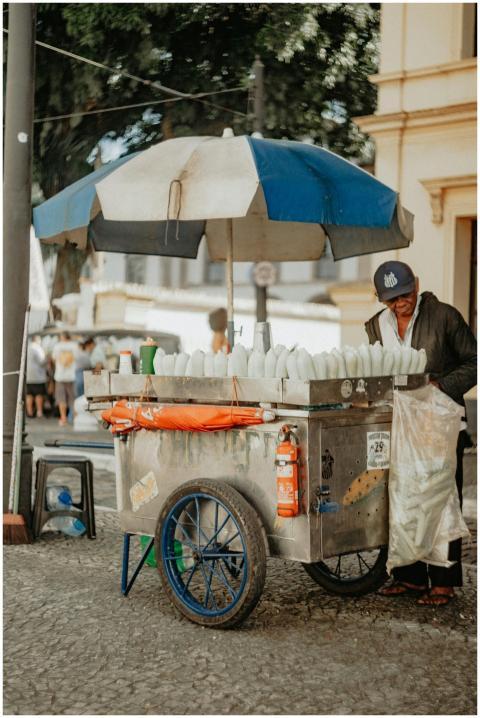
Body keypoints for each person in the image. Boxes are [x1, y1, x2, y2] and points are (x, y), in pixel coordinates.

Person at [365, 260, 476, 606]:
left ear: (417, 284)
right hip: (400, 426)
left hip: (440, 424)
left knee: (442, 499)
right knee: (404, 497)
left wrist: (440, 385)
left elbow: (473, 363)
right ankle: (409, 577)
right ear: (381, 299)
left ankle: (443, 582)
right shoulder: (376, 326)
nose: (402, 303)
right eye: (393, 299)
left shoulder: (444, 317)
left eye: (406, 294)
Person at [51, 331, 78, 426]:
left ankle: (63, 418)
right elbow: (77, 358)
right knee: (72, 398)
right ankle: (75, 417)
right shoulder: (74, 345)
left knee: (61, 398)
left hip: (60, 376)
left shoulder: (57, 346)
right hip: (71, 375)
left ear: (62, 337)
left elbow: (54, 358)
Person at [26, 335, 47, 418]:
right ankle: (39, 412)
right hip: (38, 376)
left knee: (29, 394)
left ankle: (29, 411)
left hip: (28, 375)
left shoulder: (27, 347)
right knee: (38, 394)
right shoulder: (38, 348)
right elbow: (42, 361)